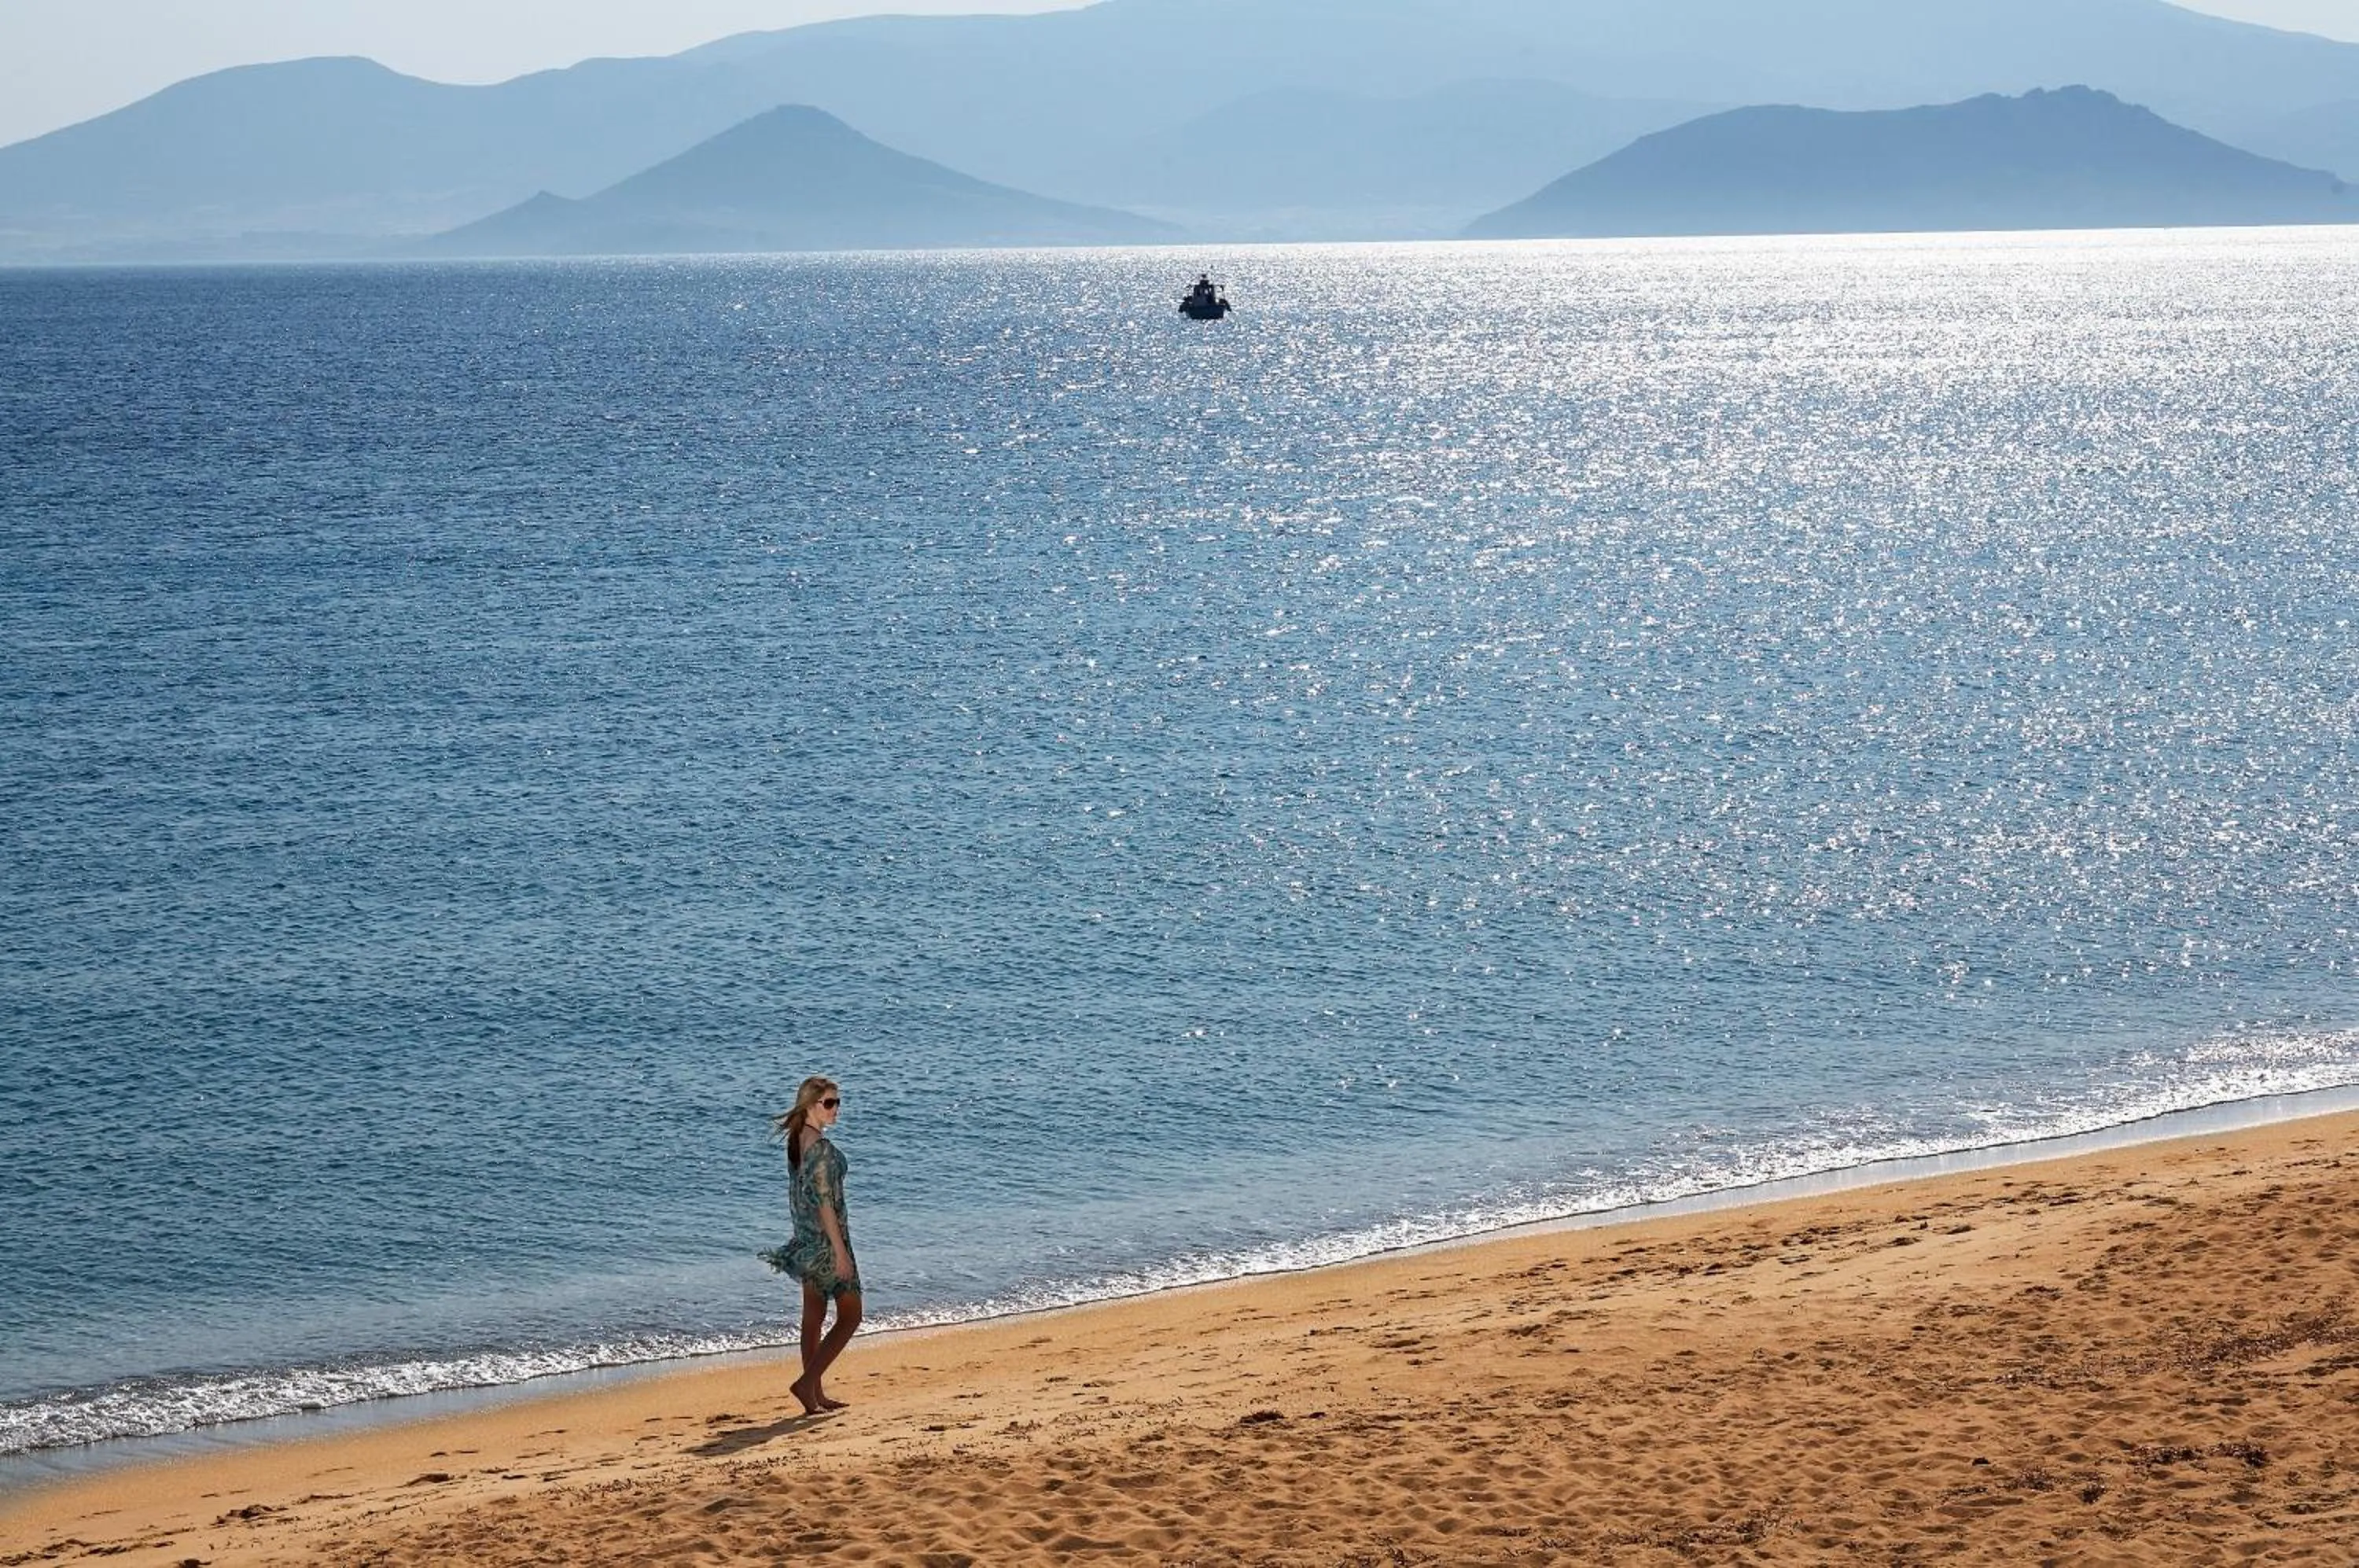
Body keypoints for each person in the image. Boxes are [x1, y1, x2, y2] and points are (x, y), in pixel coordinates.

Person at [761, 1077, 861, 1415]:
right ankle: (807, 1384)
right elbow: (823, 1203)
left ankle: (814, 1395)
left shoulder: (798, 1142)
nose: (836, 1110)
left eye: (838, 1103)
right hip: (826, 1243)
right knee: (851, 1316)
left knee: (814, 1316)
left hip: (805, 1241)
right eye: (829, 1103)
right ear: (810, 1105)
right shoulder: (819, 1149)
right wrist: (841, 1252)